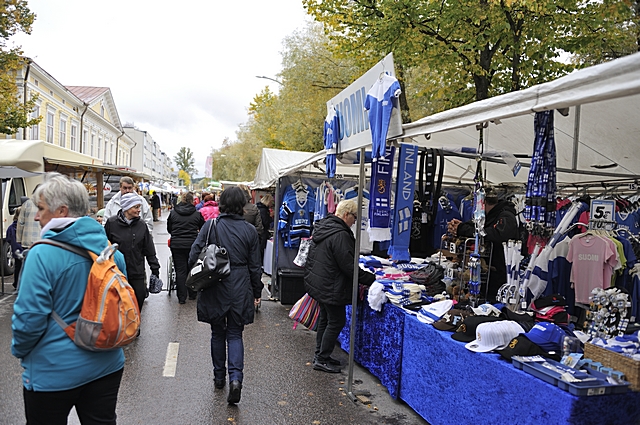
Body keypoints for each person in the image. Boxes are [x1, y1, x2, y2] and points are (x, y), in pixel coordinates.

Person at [11, 172, 127, 424]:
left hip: (53, 370)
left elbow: (29, 319)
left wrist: (19, 350)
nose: (37, 216)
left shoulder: (42, 255)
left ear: (61, 211)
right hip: (107, 363)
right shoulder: (111, 253)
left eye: (41, 209)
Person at [188, 187, 263, 404]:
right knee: (235, 333)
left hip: (215, 283)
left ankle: (219, 377)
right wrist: (257, 291)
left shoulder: (210, 226)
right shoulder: (250, 230)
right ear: (242, 204)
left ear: (222, 203)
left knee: (217, 332)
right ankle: (236, 379)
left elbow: (193, 255)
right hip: (240, 284)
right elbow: (255, 266)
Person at [304, 199, 376, 373]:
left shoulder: (325, 227)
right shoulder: (340, 234)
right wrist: (371, 279)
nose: (355, 221)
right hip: (331, 285)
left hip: (321, 282)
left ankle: (320, 355)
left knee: (326, 319)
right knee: (336, 321)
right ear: (346, 215)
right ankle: (321, 358)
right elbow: (348, 266)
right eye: (354, 217)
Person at [447, 188, 519, 301]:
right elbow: (475, 227)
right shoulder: (486, 217)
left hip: (500, 276)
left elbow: (494, 233)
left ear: (483, 202)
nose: (472, 205)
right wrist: (459, 226)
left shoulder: (506, 216)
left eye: (474, 202)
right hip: (486, 277)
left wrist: (463, 229)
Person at [104, 192, 160, 314]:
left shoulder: (142, 225)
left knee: (139, 297)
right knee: (118, 302)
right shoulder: (112, 223)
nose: (139, 210)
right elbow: (104, 246)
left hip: (137, 270)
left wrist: (155, 268)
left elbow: (149, 248)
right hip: (117, 271)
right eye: (136, 207)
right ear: (127, 208)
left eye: (139, 207)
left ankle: (135, 322)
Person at [167, 191, 205, 304]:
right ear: (192, 201)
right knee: (192, 268)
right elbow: (203, 228)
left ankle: (182, 297)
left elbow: (169, 228)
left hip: (177, 244)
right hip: (192, 245)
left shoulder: (173, 213)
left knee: (180, 270)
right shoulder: (197, 214)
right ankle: (192, 293)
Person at [16, 185, 41, 260]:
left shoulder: (26, 204)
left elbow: (21, 222)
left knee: (27, 260)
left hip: (27, 240)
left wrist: (19, 239)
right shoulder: (47, 204)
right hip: (41, 240)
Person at [6, 207, 23, 289]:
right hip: (24, 248)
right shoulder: (25, 226)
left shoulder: (11, 227)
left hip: (15, 249)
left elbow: (8, 239)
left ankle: (16, 283)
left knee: (17, 267)